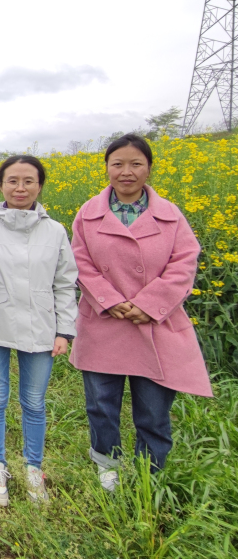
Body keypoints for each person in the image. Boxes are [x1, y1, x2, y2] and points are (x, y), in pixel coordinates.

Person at [70, 133, 211, 493]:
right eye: (117, 164)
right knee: (101, 404)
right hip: (105, 321)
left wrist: (148, 304)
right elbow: (79, 262)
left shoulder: (170, 215)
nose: (126, 172)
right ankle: (107, 464)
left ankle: (151, 472)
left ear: (149, 168)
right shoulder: (88, 214)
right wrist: (110, 300)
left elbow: (184, 263)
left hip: (156, 322)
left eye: (136, 164)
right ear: (107, 168)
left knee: (153, 409)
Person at [0, 155, 78, 507]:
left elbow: (64, 283)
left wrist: (65, 331)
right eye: (12, 181)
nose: (20, 188)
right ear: (1, 185)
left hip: (41, 325)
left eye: (29, 181)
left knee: (34, 402)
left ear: (40, 186)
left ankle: (33, 468)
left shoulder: (54, 231)